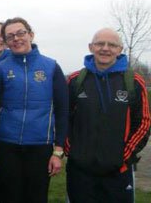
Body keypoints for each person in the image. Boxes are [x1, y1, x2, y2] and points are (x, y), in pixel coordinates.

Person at [65, 28, 150, 203]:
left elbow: (144, 123)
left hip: (118, 172)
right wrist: (72, 151)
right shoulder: (75, 80)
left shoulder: (133, 81)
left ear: (120, 49)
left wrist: (124, 155)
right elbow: (63, 119)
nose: (105, 48)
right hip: (80, 171)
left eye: (112, 45)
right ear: (91, 47)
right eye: (100, 44)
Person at [0, 17, 68, 203]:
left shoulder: (51, 67)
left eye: (21, 33)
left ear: (31, 34)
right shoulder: (0, 67)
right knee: (8, 196)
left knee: (36, 197)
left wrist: (58, 151)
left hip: (40, 145)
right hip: (6, 144)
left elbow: (62, 110)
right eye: (10, 36)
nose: (16, 39)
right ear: (6, 42)